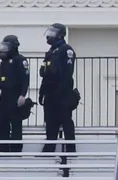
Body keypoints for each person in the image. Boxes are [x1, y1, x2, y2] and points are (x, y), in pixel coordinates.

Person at [40, 24, 77, 154]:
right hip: (50, 93)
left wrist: (60, 91)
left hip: (62, 93)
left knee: (66, 121)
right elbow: (45, 73)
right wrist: (42, 92)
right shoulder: (51, 51)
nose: (49, 35)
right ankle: (49, 149)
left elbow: (67, 73)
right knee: (50, 122)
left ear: (60, 35)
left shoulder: (66, 50)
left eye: (53, 33)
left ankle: (70, 149)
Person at [0, 35, 30, 152]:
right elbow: (1, 78)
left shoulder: (20, 60)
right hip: (4, 96)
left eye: (6, 47)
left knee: (15, 124)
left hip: (15, 96)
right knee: (2, 122)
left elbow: (25, 79)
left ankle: (16, 149)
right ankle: (2, 148)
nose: (3, 50)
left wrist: (22, 95)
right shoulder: (4, 62)